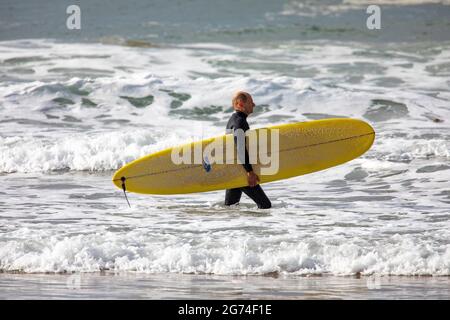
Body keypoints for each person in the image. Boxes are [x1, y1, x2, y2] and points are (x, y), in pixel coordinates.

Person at [224, 91, 272, 209]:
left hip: (233, 170)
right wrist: (249, 172)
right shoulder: (239, 122)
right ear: (240, 104)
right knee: (265, 205)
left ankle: (236, 226)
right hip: (241, 171)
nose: (254, 104)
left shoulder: (234, 119)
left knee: (231, 207)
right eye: (251, 102)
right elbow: (239, 146)